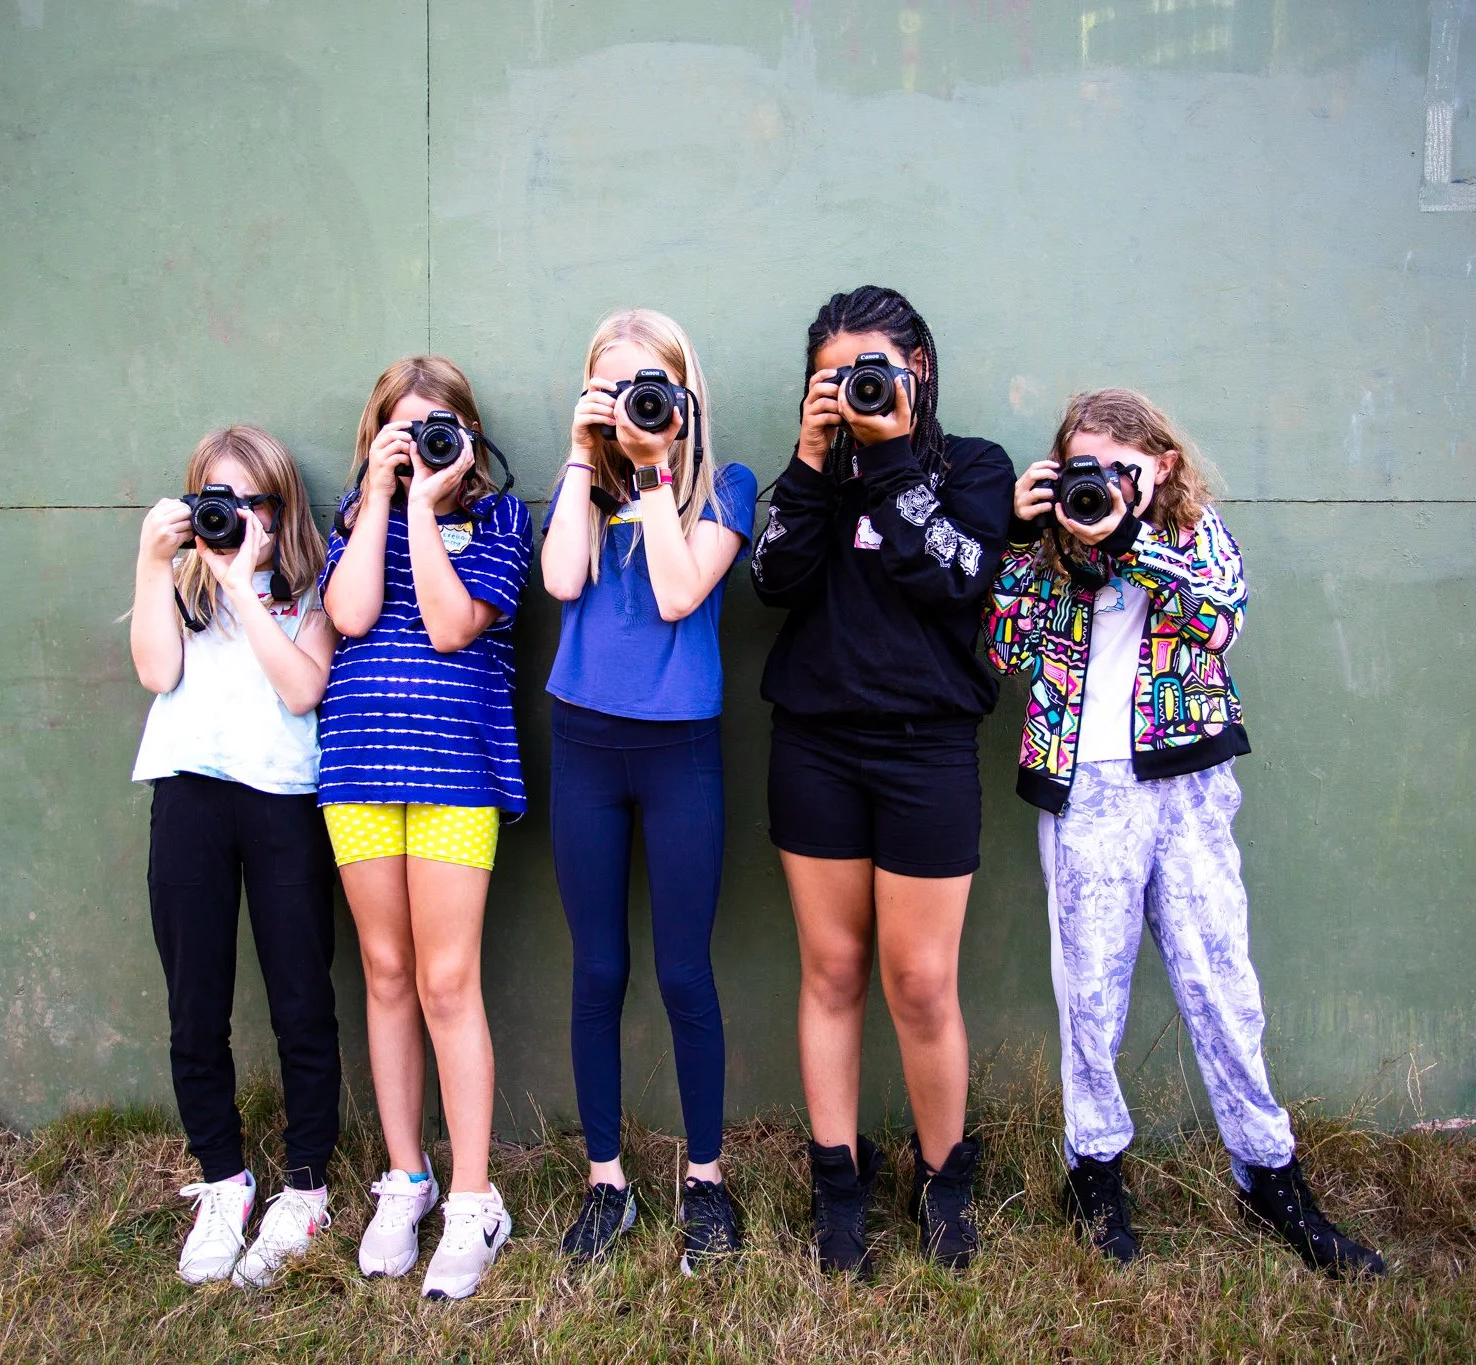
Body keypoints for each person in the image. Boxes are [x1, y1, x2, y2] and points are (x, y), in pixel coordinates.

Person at [986, 387, 1386, 1277]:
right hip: (1084, 786)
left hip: (1187, 784)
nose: (1106, 489)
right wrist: (1025, 539)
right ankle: (1094, 1173)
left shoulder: (1193, 536)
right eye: (1089, 470)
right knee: (1089, 995)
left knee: (1222, 982)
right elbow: (1006, 650)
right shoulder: (1050, 546)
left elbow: (1222, 618)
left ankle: (1268, 1173)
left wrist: (1130, 540)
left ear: (1162, 465)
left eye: (1124, 471)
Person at [749, 285, 1014, 1274]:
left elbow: (952, 574)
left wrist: (894, 457)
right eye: (834, 376)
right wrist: (815, 463)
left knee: (920, 980)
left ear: (919, 371)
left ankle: (944, 1178)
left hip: (927, 752)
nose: (854, 389)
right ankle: (837, 1182)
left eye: (873, 372)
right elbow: (773, 580)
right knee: (830, 970)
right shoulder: (814, 474)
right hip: (814, 745)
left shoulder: (970, 468)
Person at [538, 308, 756, 1273]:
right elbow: (559, 578)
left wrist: (660, 466)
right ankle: (607, 1182)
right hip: (584, 745)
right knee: (597, 971)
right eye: (614, 385)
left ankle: (705, 1183)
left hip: (680, 755)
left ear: (685, 392)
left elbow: (676, 593)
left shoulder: (728, 488)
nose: (635, 403)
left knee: (682, 971)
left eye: (650, 385)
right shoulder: (578, 485)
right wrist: (588, 456)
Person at [319, 357, 533, 1301]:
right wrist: (378, 495)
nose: (423, 444)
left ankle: (475, 1197)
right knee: (387, 970)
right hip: (359, 769)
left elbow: (450, 625)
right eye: (404, 430)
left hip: (455, 775)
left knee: (449, 979)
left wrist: (423, 508)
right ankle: (407, 1178)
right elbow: (352, 611)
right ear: (377, 436)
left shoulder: (500, 519)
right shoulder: (349, 516)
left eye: (440, 426)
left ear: (471, 435)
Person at [127, 425, 342, 1289]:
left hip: (283, 803)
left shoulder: (313, 594)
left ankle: (305, 1185)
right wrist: (153, 563)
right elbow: (155, 672)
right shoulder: (182, 589)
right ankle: (225, 1182)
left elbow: (302, 688)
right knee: (194, 1003)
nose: (239, 517)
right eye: (221, 500)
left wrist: (247, 585)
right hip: (187, 796)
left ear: (281, 509)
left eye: (257, 501)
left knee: (301, 997)